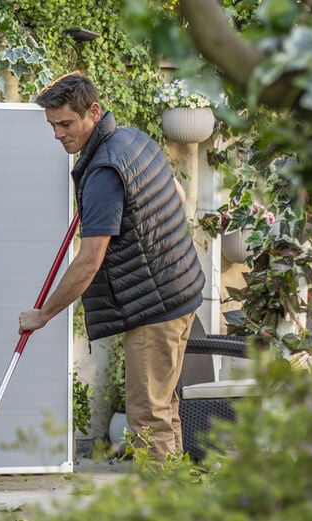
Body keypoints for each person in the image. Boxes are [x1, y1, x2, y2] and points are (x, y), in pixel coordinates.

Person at [17, 72, 205, 459]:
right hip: (181, 292)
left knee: (146, 418)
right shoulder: (133, 139)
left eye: (66, 123)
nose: (58, 134)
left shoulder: (103, 172)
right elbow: (180, 195)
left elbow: (88, 263)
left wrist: (43, 314)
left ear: (93, 112)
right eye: (52, 125)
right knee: (163, 407)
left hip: (154, 309)